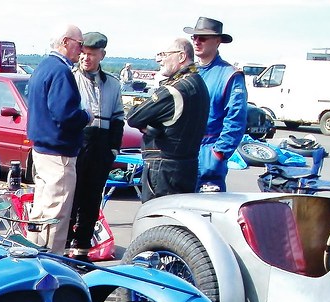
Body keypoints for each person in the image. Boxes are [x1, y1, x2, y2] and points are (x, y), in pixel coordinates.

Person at [25, 24, 92, 253]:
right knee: (57, 213)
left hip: (41, 150)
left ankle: (31, 253)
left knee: (41, 209)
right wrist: (86, 116)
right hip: (59, 153)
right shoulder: (61, 71)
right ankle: (52, 263)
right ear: (66, 42)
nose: (82, 50)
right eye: (79, 44)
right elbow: (65, 114)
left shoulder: (43, 67)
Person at [126, 38, 209, 202]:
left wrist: (148, 127)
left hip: (164, 168)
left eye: (164, 55)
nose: (159, 59)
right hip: (188, 165)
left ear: (181, 56)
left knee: (156, 221)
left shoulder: (174, 89)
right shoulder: (199, 83)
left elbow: (134, 117)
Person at [67, 32, 124, 259]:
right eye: (83, 54)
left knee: (92, 200)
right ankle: (63, 248)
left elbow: (119, 118)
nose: (86, 59)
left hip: (101, 146)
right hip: (79, 143)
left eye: (91, 54)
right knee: (73, 197)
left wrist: (113, 149)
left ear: (102, 55)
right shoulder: (71, 78)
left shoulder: (112, 83)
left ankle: (82, 249)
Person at [184, 16, 248, 192]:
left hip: (208, 153)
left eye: (202, 38)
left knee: (207, 213)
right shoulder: (188, 72)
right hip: (183, 152)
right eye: (194, 37)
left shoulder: (230, 76)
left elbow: (236, 119)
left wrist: (219, 153)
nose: (197, 41)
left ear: (218, 41)